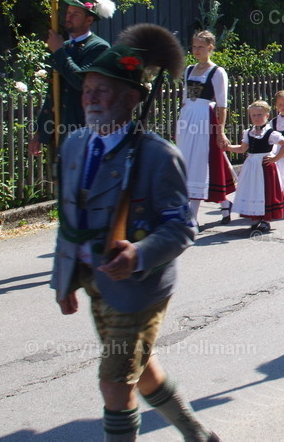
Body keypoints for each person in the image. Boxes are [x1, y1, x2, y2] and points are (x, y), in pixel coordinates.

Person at [52, 24, 218, 442]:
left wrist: (139, 253)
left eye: (102, 90)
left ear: (130, 99)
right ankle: (198, 434)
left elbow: (181, 226)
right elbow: (69, 220)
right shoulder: (73, 145)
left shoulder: (158, 155)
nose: (90, 97)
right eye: (87, 88)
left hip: (140, 287)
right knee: (142, 372)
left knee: (114, 384)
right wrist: (64, 279)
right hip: (94, 280)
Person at [31, 0, 113, 155]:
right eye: (68, 13)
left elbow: (81, 83)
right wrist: (41, 131)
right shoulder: (64, 46)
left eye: (76, 14)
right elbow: (52, 92)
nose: (69, 17)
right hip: (58, 131)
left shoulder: (99, 47)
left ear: (89, 20)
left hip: (82, 131)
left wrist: (59, 51)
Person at [175, 31, 235, 232]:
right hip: (188, 119)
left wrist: (220, 131)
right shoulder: (189, 70)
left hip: (204, 119)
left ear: (210, 47)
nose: (196, 50)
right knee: (186, 162)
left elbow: (222, 105)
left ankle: (191, 216)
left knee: (200, 163)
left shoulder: (217, 72)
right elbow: (184, 100)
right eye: (194, 46)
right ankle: (225, 204)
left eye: (201, 46)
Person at [223, 101, 284, 234]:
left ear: (267, 115)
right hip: (251, 165)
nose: (256, 118)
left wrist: (276, 158)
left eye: (260, 115)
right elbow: (243, 148)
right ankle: (255, 216)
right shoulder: (248, 132)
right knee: (253, 190)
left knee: (266, 191)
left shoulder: (271, 133)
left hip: (265, 165)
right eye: (253, 115)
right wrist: (228, 147)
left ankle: (266, 219)